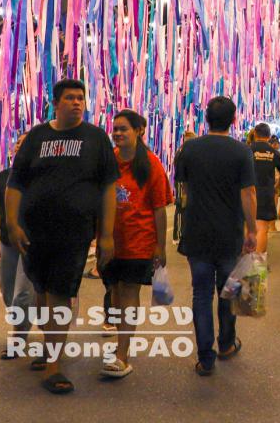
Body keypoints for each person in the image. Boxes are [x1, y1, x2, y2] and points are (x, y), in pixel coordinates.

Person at [5, 79, 118, 395]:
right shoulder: (37, 137)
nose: (77, 102)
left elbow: (109, 188)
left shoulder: (96, 139)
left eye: (81, 98)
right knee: (42, 293)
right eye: (70, 98)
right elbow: (16, 183)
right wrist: (12, 224)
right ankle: (49, 346)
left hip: (74, 233)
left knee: (60, 294)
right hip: (35, 233)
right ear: (55, 103)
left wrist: (106, 235)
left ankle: (54, 366)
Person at [175, 96, 257, 377]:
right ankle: (226, 344)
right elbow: (248, 194)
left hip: (196, 231)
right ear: (233, 119)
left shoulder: (189, 148)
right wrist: (251, 230)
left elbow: (184, 187)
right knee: (228, 291)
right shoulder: (241, 151)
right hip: (229, 234)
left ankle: (205, 358)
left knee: (201, 295)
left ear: (206, 118)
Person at [100, 110, 172, 379]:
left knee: (129, 292)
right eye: (115, 129)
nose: (118, 133)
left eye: (124, 129)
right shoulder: (110, 161)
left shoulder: (151, 164)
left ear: (139, 131)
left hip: (139, 240)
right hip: (111, 241)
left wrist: (160, 246)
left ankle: (122, 356)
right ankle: (122, 344)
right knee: (116, 293)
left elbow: (159, 208)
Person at [0, 135, 36, 360]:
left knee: (22, 295)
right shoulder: (4, 177)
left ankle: (18, 337)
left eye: (26, 143)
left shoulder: (41, 177)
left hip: (32, 244)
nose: (20, 146)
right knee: (7, 291)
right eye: (18, 143)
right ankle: (24, 322)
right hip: (7, 243)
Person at [249, 123, 280, 258]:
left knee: (248, 227)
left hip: (248, 192)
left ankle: (246, 260)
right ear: (269, 136)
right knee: (263, 228)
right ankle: (258, 264)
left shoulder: (247, 149)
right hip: (266, 192)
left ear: (255, 134)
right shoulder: (274, 152)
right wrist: (277, 185)